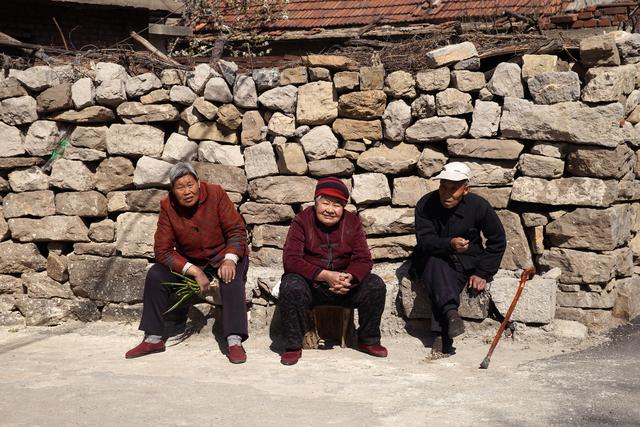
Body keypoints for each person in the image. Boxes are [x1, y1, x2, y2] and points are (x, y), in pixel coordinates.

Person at [125, 162, 250, 364]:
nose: (187, 191)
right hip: (191, 261)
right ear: (173, 191)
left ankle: (234, 341)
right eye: (180, 187)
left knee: (231, 279)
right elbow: (162, 250)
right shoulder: (168, 206)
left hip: (223, 255)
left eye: (190, 185)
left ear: (198, 183)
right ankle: (153, 338)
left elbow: (236, 230)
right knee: (156, 274)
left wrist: (230, 259)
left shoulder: (216, 194)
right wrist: (193, 271)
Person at [278, 177, 388, 365]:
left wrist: (349, 276)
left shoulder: (352, 222)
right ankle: (293, 346)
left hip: (344, 287)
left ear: (343, 207)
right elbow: (291, 260)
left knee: (375, 285)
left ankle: (368, 340)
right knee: (290, 285)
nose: (330, 210)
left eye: (337, 205)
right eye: (325, 203)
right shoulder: (302, 221)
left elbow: (363, 259)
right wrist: (325, 276)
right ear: (316, 202)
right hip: (312, 287)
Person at [413, 162, 506, 357]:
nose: (447, 194)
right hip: (432, 257)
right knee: (436, 265)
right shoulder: (426, 204)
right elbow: (425, 241)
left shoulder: (479, 206)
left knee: (444, 274)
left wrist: (482, 272)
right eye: (443, 187)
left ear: (466, 190)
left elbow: (497, 240)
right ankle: (451, 315)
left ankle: (442, 332)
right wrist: (449, 244)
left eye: (454, 189)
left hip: (467, 262)